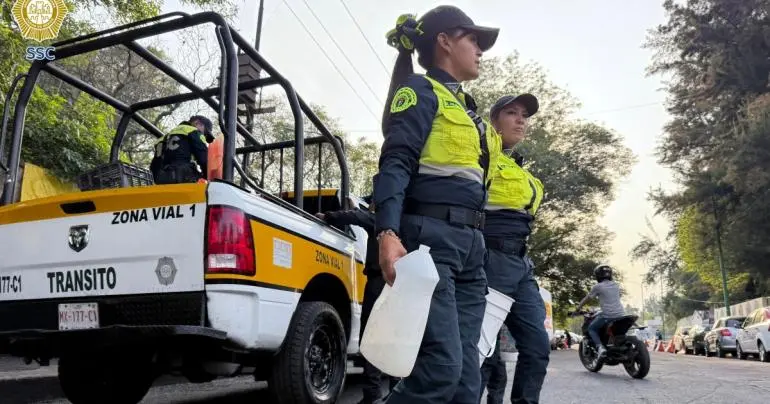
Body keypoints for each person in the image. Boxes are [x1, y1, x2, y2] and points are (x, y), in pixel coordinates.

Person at [373, 5, 501, 403]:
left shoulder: (468, 109)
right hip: (431, 243)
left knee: (466, 380)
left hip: (470, 248)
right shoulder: (420, 92)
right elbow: (395, 163)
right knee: (441, 369)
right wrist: (388, 232)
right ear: (445, 41)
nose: (480, 50)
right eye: (473, 40)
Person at [478, 94, 549, 404]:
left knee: (537, 347)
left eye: (524, 115)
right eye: (512, 113)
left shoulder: (519, 168)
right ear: (494, 122)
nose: (521, 120)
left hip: (521, 263)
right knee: (480, 351)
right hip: (490, 259)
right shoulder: (482, 153)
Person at [315, 194, 399, 404]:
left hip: (380, 282)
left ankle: (372, 395)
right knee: (393, 339)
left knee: (371, 338)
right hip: (396, 284)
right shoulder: (401, 216)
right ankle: (395, 392)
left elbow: (357, 217)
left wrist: (328, 216)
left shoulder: (384, 219)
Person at [575, 264, 626, 358]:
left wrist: (578, 308)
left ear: (598, 275)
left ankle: (600, 347)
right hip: (621, 314)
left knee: (592, 328)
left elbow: (587, 298)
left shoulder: (598, 287)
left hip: (608, 315)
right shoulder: (616, 285)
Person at [150, 115, 214, 184]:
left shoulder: (164, 138)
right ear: (198, 123)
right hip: (183, 178)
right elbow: (204, 160)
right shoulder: (193, 131)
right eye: (206, 133)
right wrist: (209, 176)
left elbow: (154, 165)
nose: (204, 135)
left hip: (160, 180)